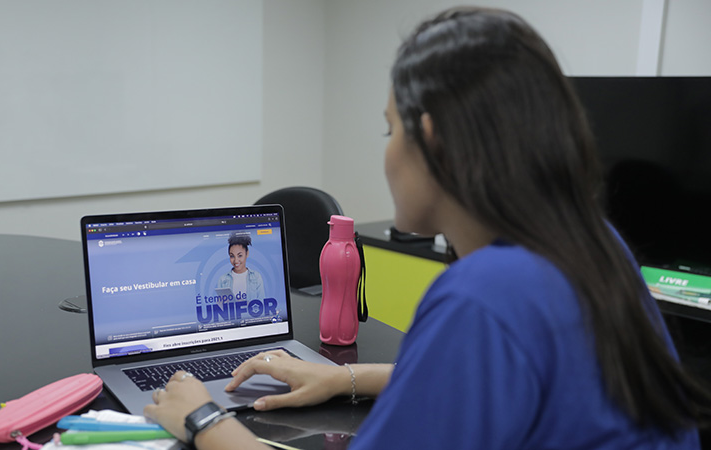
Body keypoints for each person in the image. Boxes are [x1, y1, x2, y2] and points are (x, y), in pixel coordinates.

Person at [144, 7, 711, 449]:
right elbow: (502, 378)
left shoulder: (483, 294)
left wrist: (203, 417)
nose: (387, 153)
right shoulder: (593, 243)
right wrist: (346, 379)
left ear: (433, 138)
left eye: (390, 130)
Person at [217, 234, 265, 301]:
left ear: (247, 253)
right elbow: (219, 306)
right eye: (232, 256)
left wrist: (245, 304)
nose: (236, 261)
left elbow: (262, 304)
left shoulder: (256, 277)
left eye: (240, 255)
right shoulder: (223, 279)